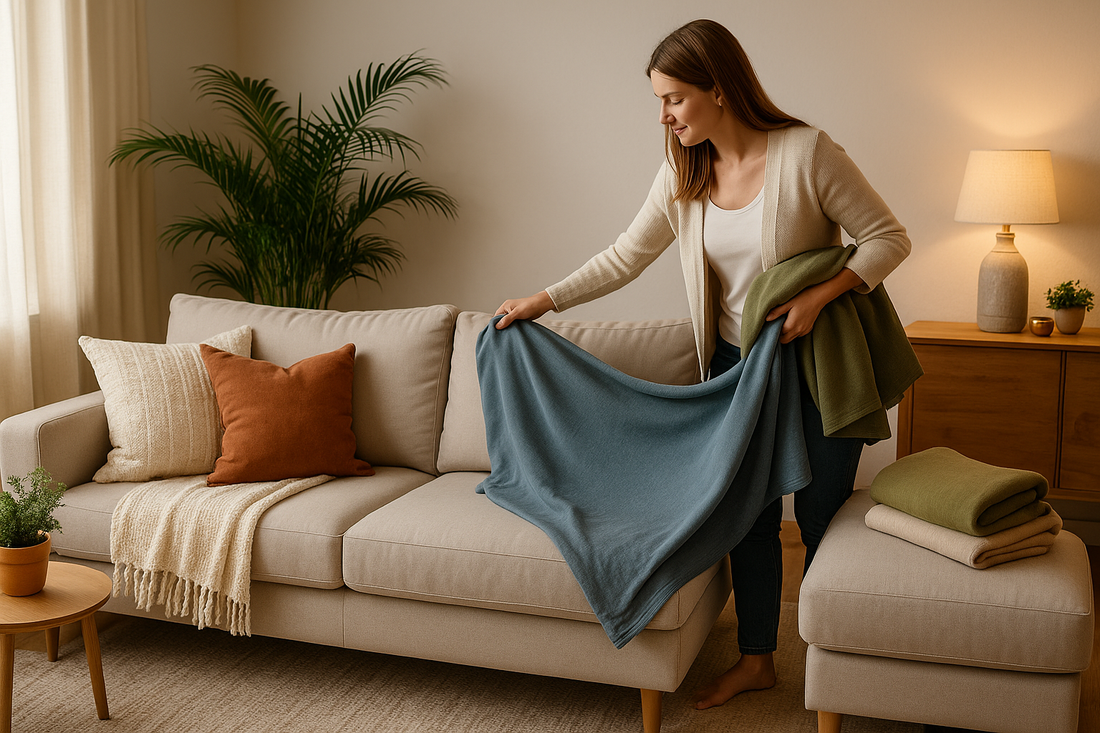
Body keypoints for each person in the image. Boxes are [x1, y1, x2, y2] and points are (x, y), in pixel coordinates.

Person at [494, 19, 910, 710]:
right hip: (730, 367)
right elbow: (626, 255)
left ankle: (843, 669)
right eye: (660, 100)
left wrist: (820, 294)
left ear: (719, 90)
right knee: (745, 514)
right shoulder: (684, 171)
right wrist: (544, 299)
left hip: (812, 367)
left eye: (675, 99)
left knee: (820, 512)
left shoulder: (806, 153)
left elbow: (887, 237)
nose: (664, 115)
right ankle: (756, 659)